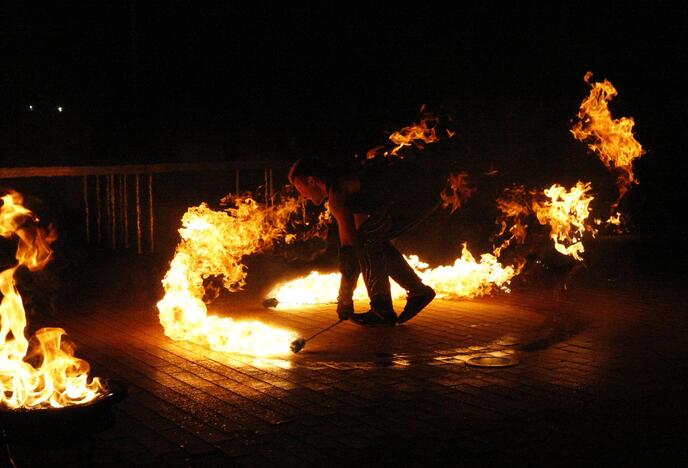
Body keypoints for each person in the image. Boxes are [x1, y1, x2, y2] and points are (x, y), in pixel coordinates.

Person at [288, 157, 438, 326]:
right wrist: (346, 295)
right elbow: (355, 242)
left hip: (414, 194)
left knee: (367, 239)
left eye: (299, 188)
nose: (302, 196)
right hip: (422, 191)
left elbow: (349, 250)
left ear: (311, 180)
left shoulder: (337, 192)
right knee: (369, 238)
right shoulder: (346, 184)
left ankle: (382, 310)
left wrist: (344, 298)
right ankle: (416, 292)